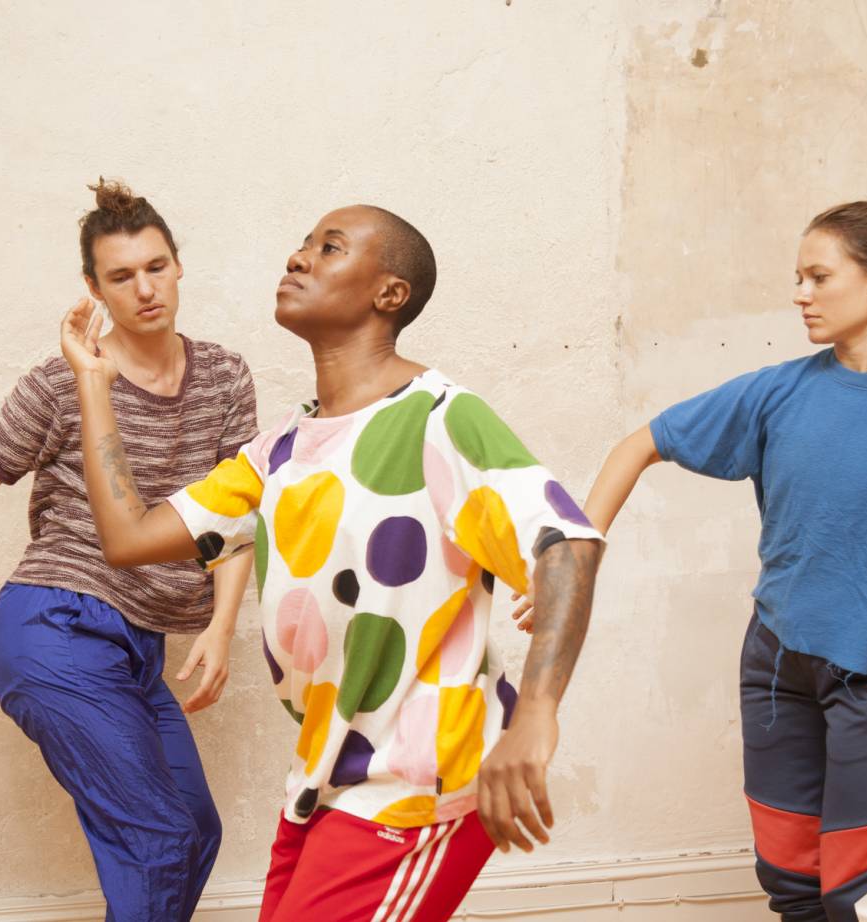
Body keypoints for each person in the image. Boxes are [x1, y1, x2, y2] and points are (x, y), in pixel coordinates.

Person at [61, 204, 605, 922]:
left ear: (389, 294)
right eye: (303, 243)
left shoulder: (441, 418)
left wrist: (534, 717)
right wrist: (93, 381)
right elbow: (128, 538)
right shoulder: (279, 449)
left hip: (421, 780)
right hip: (325, 778)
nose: (299, 257)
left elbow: (568, 538)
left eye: (330, 247)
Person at [568, 201, 867, 921]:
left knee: (856, 896)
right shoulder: (777, 392)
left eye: (819, 276)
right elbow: (639, 445)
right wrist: (583, 555)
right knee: (792, 885)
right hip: (778, 665)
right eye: (798, 278)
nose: (800, 294)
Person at [0, 180, 257, 922]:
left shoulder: (225, 377)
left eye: (156, 267)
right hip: (54, 629)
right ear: (93, 287)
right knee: (158, 839)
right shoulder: (62, 382)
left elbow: (235, 516)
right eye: (121, 276)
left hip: (137, 650)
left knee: (193, 832)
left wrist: (221, 624)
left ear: (177, 266)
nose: (145, 288)